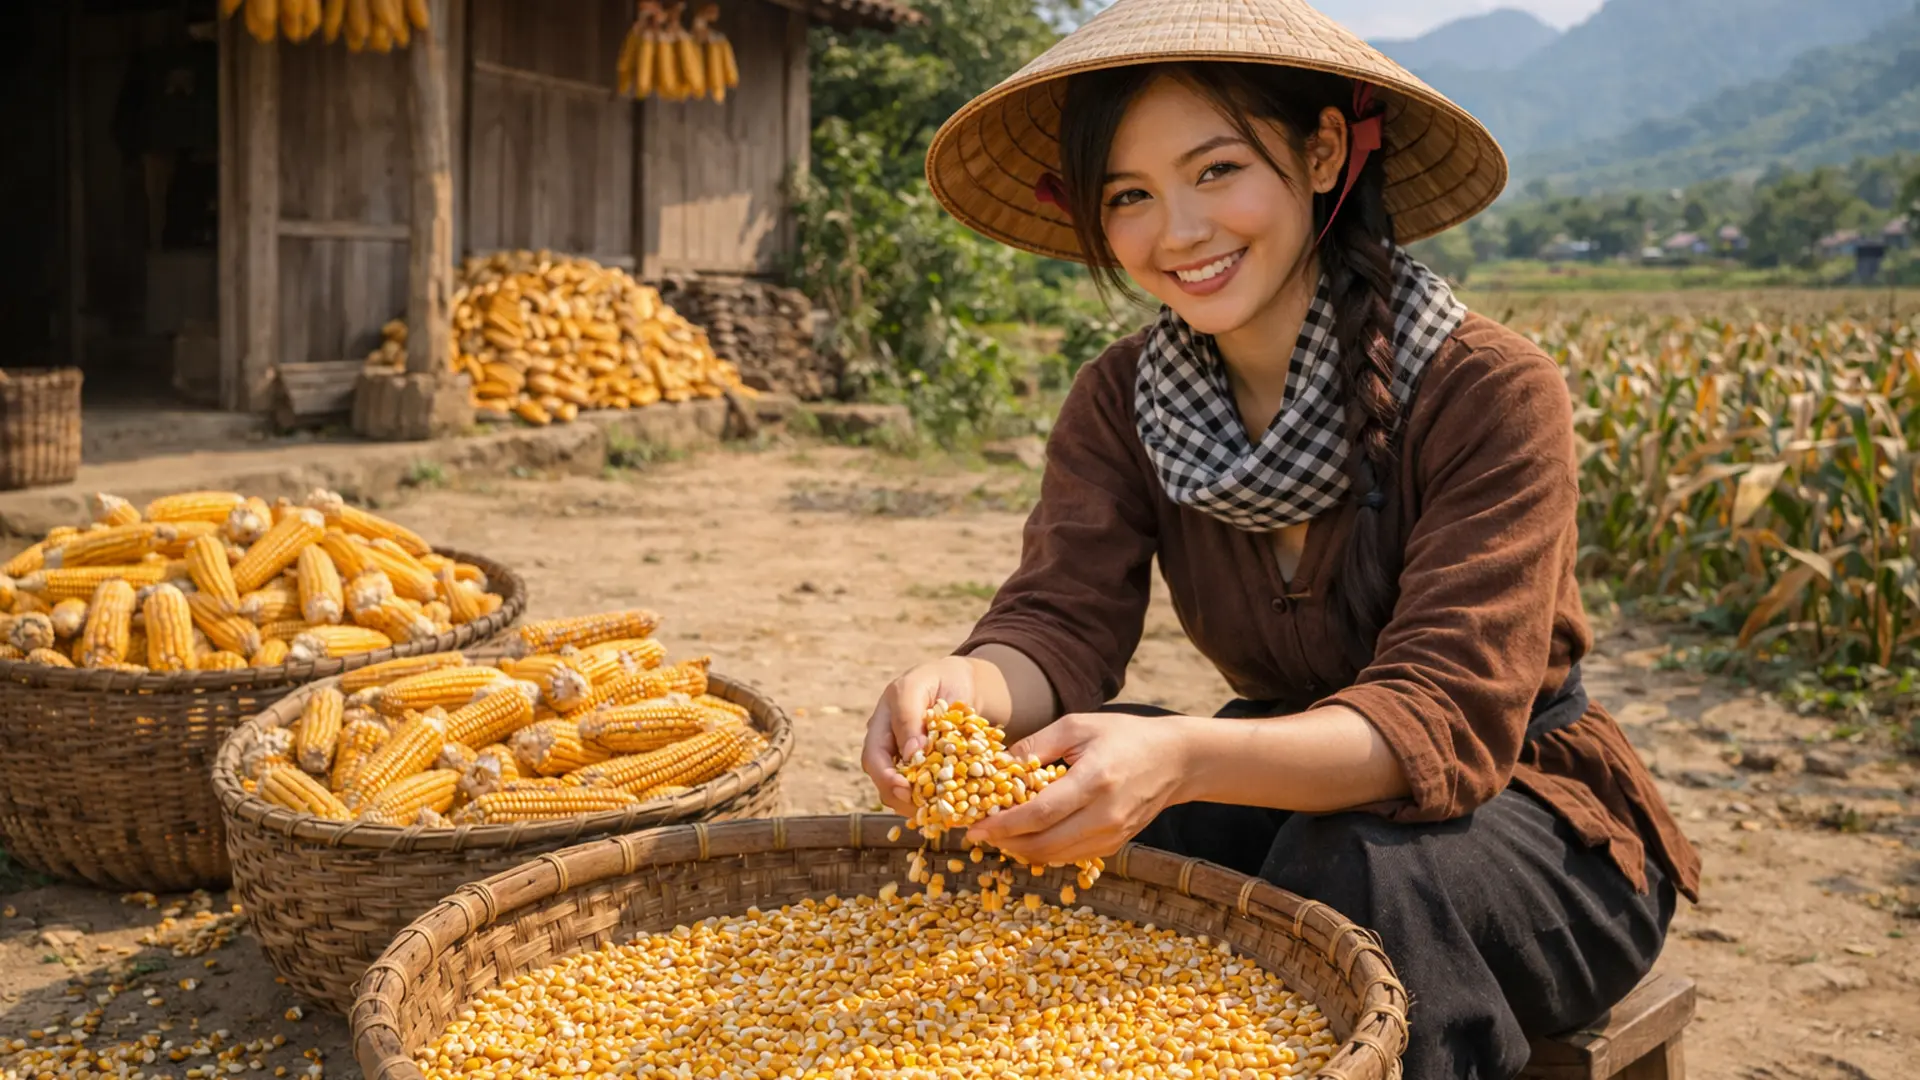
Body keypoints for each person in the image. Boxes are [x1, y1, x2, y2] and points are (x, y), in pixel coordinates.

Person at [861, 1, 1701, 1076]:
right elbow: (1061, 623)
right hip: (1290, 779)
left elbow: (1438, 715)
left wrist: (1183, 756)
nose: (1179, 232)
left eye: (1216, 171)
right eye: (1130, 196)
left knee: (1357, 868)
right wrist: (963, 688)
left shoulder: (1485, 389)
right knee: (1038, 816)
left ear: (1321, 151)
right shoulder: (1122, 402)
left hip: (1527, 822)